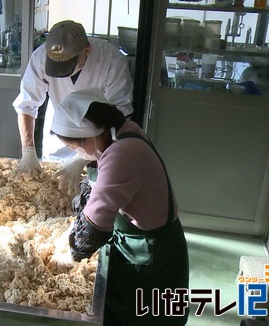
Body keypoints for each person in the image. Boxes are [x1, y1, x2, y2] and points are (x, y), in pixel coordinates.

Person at [51, 89, 189, 325]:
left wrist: (70, 254)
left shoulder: (122, 154)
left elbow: (94, 229)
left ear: (89, 136)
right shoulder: (123, 131)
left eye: (75, 147)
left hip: (151, 255)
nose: (78, 153)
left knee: (144, 318)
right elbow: (97, 190)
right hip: (140, 243)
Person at [13, 20, 134, 195]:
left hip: (99, 142)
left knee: (91, 191)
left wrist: (82, 158)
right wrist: (28, 150)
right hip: (60, 130)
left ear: (86, 51)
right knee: (56, 190)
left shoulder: (111, 60)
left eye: (67, 64)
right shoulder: (40, 57)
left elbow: (119, 116)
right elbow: (26, 104)